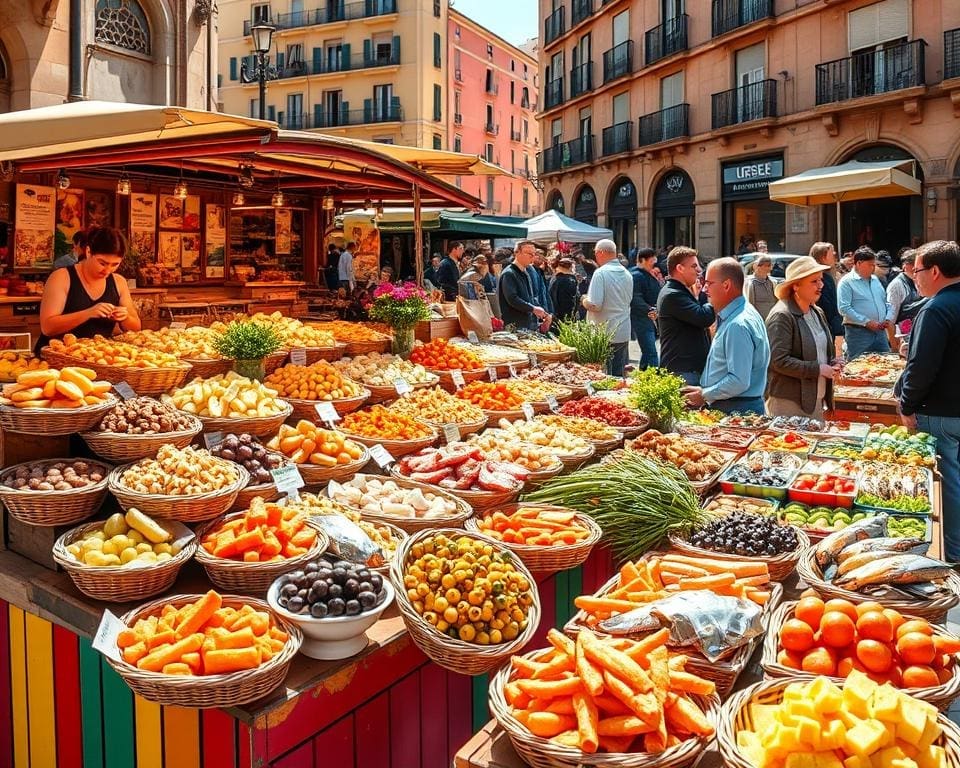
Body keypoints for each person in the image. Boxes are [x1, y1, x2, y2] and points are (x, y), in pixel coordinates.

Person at [895, 240, 960, 561]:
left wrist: (906, 404)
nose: (913, 277)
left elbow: (922, 368)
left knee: (946, 483)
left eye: (917, 270)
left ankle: (952, 555)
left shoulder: (935, 309)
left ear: (935, 271)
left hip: (940, 411)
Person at [682, 258, 770, 414]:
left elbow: (739, 381)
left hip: (736, 409)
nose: (704, 289)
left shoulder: (738, 324)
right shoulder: (740, 314)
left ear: (726, 285)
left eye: (709, 283)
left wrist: (704, 394)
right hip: (736, 406)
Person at [37, 226, 142, 353]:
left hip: (95, 357)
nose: (108, 270)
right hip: (56, 358)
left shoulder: (119, 282)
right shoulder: (62, 277)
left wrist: (124, 317)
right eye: (102, 263)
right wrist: (88, 313)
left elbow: (136, 327)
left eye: (115, 264)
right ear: (88, 252)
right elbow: (48, 327)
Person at [764, 256, 839, 419]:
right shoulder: (781, 315)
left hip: (815, 399)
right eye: (814, 281)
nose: (821, 285)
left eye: (821, 280)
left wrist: (832, 362)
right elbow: (778, 361)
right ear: (796, 286)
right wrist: (819, 369)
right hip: (788, 403)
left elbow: (819, 350)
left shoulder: (816, 311)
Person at [656, 246, 715, 385]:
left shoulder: (679, 291)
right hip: (683, 372)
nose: (699, 270)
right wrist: (712, 297)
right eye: (694, 266)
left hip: (687, 370)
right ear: (680, 268)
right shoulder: (673, 294)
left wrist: (696, 296)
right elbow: (704, 317)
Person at [581, 238, 633, 376]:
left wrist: (584, 300)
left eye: (596, 252)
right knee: (619, 374)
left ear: (601, 252)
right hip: (622, 329)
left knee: (605, 376)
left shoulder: (601, 273)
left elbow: (595, 305)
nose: (595, 255)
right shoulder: (627, 273)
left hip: (604, 332)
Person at [837, 246, 892, 359]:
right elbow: (844, 308)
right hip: (858, 333)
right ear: (859, 263)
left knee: (885, 364)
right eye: (870, 265)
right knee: (857, 368)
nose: (873, 268)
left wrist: (888, 317)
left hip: (880, 332)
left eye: (874, 265)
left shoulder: (875, 280)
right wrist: (866, 322)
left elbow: (885, 301)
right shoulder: (846, 282)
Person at [498, 241, 550, 330]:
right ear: (517, 253)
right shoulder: (509, 273)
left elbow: (531, 297)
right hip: (515, 326)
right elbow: (512, 298)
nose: (532, 257)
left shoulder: (526, 271)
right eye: (529, 253)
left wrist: (544, 314)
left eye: (534, 254)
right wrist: (533, 309)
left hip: (528, 324)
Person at [810, 242, 845, 358]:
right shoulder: (823, 279)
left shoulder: (831, 276)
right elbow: (828, 306)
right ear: (823, 257)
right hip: (823, 325)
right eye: (832, 253)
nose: (835, 255)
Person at [886, 248, 926, 351]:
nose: (916, 269)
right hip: (903, 340)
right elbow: (889, 320)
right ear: (905, 266)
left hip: (919, 336)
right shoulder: (896, 286)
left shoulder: (918, 281)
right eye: (913, 265)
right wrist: (894, 348)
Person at [628, 248, 661, 369]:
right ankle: (655, 379)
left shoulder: (646, 274)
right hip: (641, 317)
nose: (655, 262)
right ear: (642, 260)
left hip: (648, 317)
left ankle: (643, 375)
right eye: (652, 260)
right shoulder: (636, 275)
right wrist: (650, 310)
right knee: (651, 352)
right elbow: (635, 298)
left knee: (647, 351)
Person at [743, 254, 779, 320]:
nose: (770, 268)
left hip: (772, 319)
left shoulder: (773, 282)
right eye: (767, 266)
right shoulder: (750, 283)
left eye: (771, 265)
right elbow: (749, 303)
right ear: (758, 266)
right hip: (757, 319)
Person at [549, 257, 579, 322]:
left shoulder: (554, 278)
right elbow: (571, 302)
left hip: (554, 316)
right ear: (571, 267)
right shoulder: (569, 280)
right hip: (566, 318)